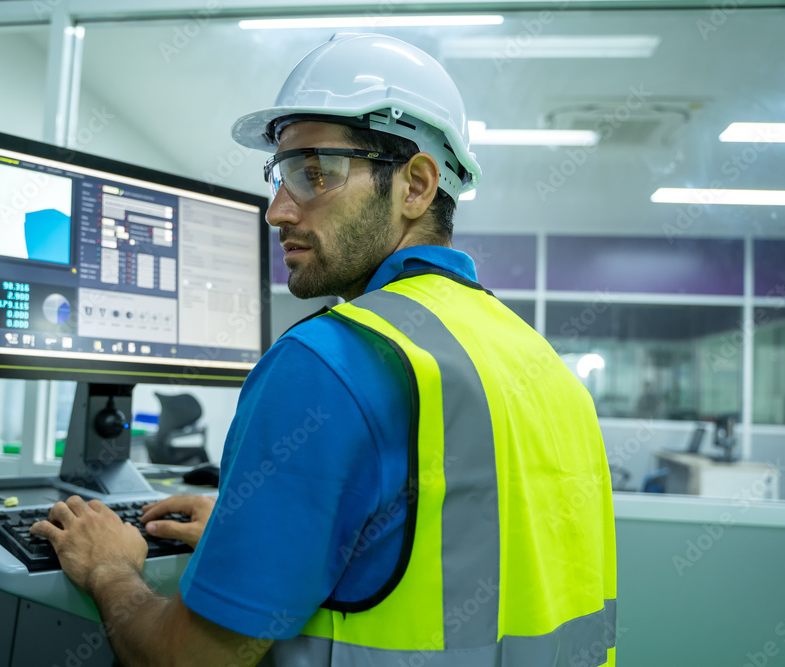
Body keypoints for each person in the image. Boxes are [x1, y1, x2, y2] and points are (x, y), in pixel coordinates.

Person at [31, 33, 617, 667]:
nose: (278, 211)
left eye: (315, 173)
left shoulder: (329, 362)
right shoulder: (542, 365)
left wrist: (112, 570)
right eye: (280, 176)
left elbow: (189, 660)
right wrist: (261, 531)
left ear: (416, 185)